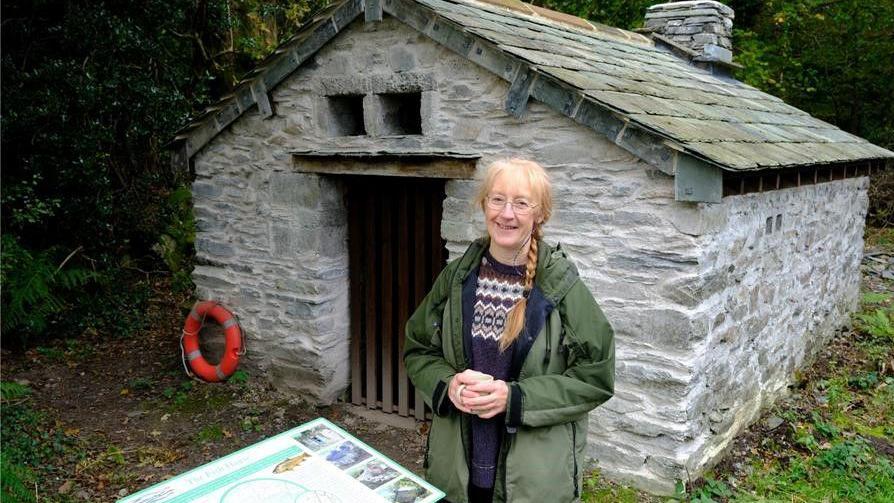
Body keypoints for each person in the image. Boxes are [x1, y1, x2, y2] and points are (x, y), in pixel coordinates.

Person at [403, 158, 615, 503]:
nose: (506, 214)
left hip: (531, 482)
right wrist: (447, 386)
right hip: (458, 471)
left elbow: (595, 378)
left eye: (521, 203)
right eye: (497, 199)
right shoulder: (457, 278)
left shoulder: (562, 287)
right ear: (483, 204)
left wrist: (514, 399)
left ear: (540, 213)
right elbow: (419, 349)